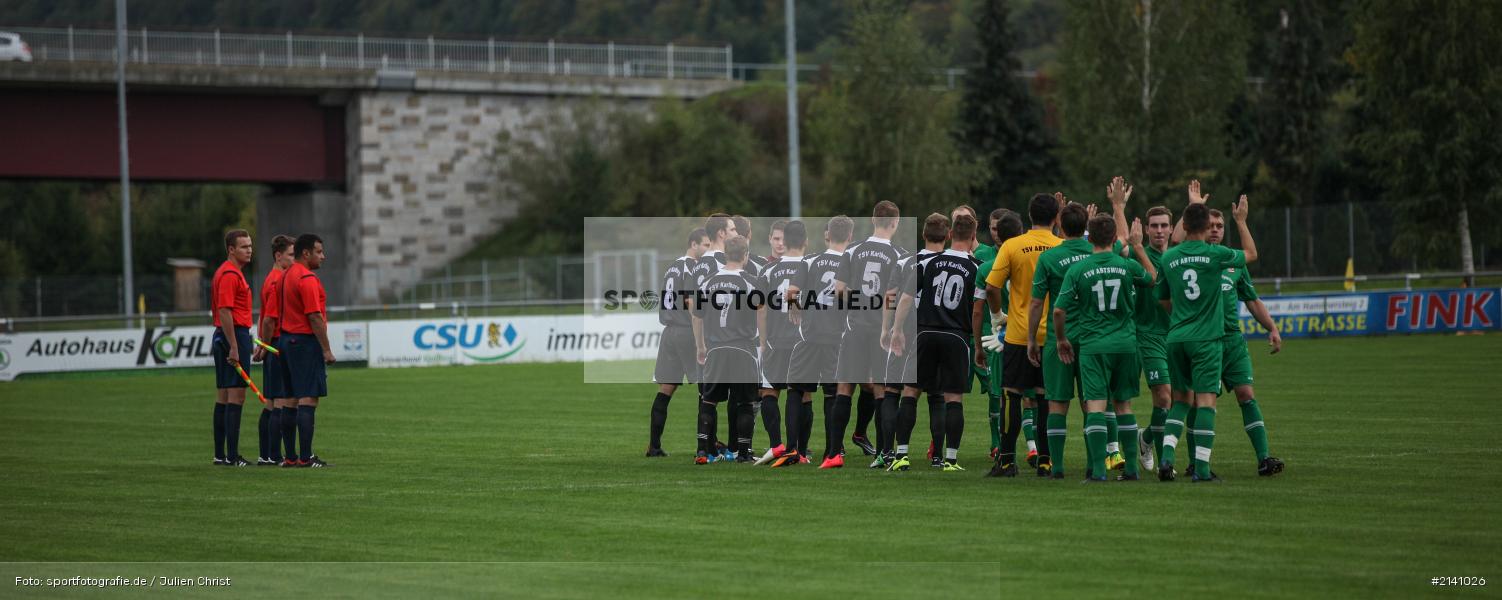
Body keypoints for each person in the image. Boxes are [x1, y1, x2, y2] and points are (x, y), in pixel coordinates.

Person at [1155, 195, 1259, 482]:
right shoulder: (1216, 255)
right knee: (1205, 401)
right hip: (1207, 339)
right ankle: (1201, 469)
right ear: (1204, 227)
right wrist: (1240, 221)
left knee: (1179, 401)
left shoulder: (1169, 257)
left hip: (1176, 337)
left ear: (1184, 225)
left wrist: (1181, 316)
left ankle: (1166, 458)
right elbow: (1251, 254)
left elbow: (1162, 299)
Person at [1051, 215, 1157, 481]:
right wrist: (1138, 247)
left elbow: (1059, 310)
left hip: (1093, 345)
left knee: (1096, 405)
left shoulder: (1078, 270)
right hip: (1125, 344)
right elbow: (1153, 278)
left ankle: (1098, 471)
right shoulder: (1127, 265)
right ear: (1113, 238)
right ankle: (1131, 469)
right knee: (1124, 406)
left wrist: (1062, 339)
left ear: (1091, 239)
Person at [891, 213, 984, 472]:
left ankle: (901, 455)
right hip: (956, 336)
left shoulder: (930, 263)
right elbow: (977, 309)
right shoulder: (977, 266)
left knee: (911, 391)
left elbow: (907, 297)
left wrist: (897, 329)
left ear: (951, 234)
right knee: (953, 397)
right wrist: (977, 344)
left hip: (926, 333)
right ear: (974, 236)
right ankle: (951, 460)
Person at [982, 193, 1062, 476]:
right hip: (1051, 336)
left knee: (1012, 396)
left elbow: (992, 287)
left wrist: (997, 316)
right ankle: (1045, 459)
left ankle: (1005, 459)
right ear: (1055, 218)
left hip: (1018, 334)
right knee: (1044, 399)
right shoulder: (1061, 247)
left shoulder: (1013, 245)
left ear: (1029, 216)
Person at [1205, 209, 1286, 478]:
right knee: (1201, 403)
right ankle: (1198, 462)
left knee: (1247, 395)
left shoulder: (1233, 261)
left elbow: (1251, 299)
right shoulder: (1193, 259)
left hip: (1233, 342)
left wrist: (1272, 327)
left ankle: (1264, 458)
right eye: (1210, 225)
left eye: (1219, 225)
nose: (1216, 229)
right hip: (1205, 342)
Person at [770, 217, 853, 468]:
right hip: (837, 336)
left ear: (827, 235)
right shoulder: (851, 262)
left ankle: (793, 449)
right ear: (849, 236)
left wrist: (796, 309)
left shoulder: (811, 260)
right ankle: (832, 451)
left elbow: (791, 293)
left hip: (809, 335)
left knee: (796, 389)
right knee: (832, 394)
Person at [828, 201, 903, 468]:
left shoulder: (853, 250)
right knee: (883, 389)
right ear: (895, 223)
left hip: (855, 328)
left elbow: (838, 290)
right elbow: (900, 298)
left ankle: (834, 454)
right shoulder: (899, 254)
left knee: (845, 387)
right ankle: (885, 453)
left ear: (873, 220)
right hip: (884, 331)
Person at [879, 217, 944, 471]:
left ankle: (890, 452)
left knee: (894, 390)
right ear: (946, 235)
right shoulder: (951, 261)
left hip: (906, 329)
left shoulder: (906, 260)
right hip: (937, 328)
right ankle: (939, 456)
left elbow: (890, 296)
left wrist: (887, 328)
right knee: (937, 396)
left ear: (923, 234)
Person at [693, 235, 765, 465]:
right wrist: (763, 342)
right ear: (745, 256)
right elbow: (762, 311)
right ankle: (742, 453)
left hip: (715, 349)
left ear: (724, 255)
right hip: (743, 348)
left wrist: (700, 345)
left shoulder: (708, 280)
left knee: (709, 401)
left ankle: (703, 451)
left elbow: (696, 315)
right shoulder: (752, 281)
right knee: (745, 403)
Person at [646, 228, 710, 457]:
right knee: (706, 390)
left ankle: (653, 446)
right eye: (705, 245)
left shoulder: (672, 267)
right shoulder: (692, 267)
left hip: (669, 333)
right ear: (693, 244)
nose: (707, 249)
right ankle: (705, 446)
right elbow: (690, 302)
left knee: (666, 389)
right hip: (686, 331)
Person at [753, 221, 808, 464]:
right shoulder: (812, 267)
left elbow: (761, 309)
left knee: (769, 392)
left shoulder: (768, 270)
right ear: (805, 241)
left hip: (775, 340)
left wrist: (763, 342)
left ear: (784, 240)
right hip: (804, 342)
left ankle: (777, 445)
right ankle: (800, 452)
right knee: (803, 395)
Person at [975, 209, 1025, 476]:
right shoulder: (982, 257)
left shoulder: (992, 263)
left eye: (998, 228)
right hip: (1016, 331)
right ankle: (1035, 454)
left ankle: (1010, 454)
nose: (994, 232)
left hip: (1007, 333)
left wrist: (998, 318)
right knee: (1016, 395)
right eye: (991, 228)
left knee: (1011, 395)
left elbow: (989, 293)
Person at [280, 233, 335, 468]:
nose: (323, 256)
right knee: (308, 398)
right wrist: (326, 350)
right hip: (304, 342)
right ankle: (305, 457)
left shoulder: (285, 276)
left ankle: (291, 457)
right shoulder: (307, 278)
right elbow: (314, 316)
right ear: (306, 253)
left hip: (286, 340)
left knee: (290, 399)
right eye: (319, 252)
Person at [211, 229, 255, 467]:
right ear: (231, 249)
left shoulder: (226, 272)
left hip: (226, 335)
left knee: (224, 396)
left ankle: (221, 455)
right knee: (236, 396)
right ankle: (232, 455)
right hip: (233, 335)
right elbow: (225, 311)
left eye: (250, 246)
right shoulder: (229, 274)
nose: (249, 250)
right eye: (243, 247)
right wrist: (235, 346)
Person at [253, 234, 296, 466]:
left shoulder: (273, 278)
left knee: (271, 403)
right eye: (291, 255)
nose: (295, 259)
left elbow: (263, 317)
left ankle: (266, 454)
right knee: (279, 402)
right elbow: (269, 319)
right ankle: (274, 455)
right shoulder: (276, 281)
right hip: (278, 343)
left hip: (272, 344)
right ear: (278, 256)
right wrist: (266, 346)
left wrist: (262, 344)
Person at [1137, 206, 1174, 471]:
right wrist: (1118, 207)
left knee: (1184, 401)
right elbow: (1156, 281)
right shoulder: (1138, 256)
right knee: (1163, 397)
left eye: (1164, 225)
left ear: (1172, 229)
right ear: (1147, 229)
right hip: (1148, 335)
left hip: (1177, 336)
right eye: (1154, 226)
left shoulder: (1177, 257)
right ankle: (1165, 465)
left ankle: (1146, 437)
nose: (1159, 230)